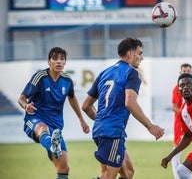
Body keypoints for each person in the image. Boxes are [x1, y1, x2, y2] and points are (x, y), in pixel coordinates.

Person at [81, 38, 165, 179]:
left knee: (128, 173)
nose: (142, 58)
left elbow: (85, 106)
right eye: (140, 53)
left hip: (102, 130)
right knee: (109, 176)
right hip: (112, 132)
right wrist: (150, 126)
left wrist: (101, 120)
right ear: (130, 54)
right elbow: (130, 102)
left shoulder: (104, 73)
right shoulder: (131, 73)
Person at [18, 47, 90, 179]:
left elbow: (72, 98)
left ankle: (53, 144)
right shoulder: (40, 77)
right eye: (55, 58)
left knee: (63, 168)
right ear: (49, 62)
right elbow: (21, 98)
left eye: (62, 59)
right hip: (35, 119)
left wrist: (81, 119)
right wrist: (26, 106)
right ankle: (52, 145)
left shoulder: (67, 81)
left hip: (55, 128)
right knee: (42, 128)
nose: (59, 62)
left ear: (65, 63)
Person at [171, 63, 192, 179]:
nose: (186, 73)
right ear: (180, 73)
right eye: (184, 71)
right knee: (175, 154)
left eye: (188, 71)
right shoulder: (177, 89)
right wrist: (186, 116)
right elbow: (174, 107)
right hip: (181, 125)